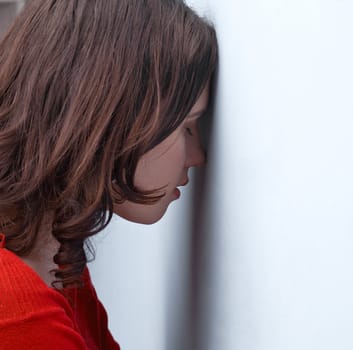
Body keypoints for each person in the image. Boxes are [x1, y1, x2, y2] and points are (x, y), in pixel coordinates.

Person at [0, 0, 218, 348]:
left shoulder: (57, 263)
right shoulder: (19, 313)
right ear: (110, 115)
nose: (198, 157)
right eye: (187, 127)